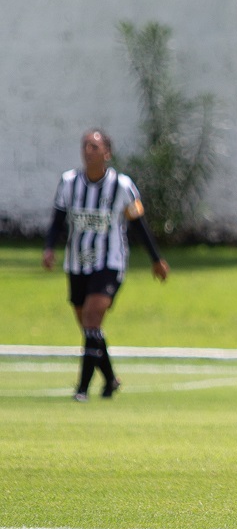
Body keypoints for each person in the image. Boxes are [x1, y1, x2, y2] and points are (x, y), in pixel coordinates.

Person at [42, 128, 170, 402]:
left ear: (107, 153)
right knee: (89, 327)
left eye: (95, 147)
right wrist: (49, 249)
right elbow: (58, 219)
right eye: (85, 145)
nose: (88, 151)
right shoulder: (69, 182)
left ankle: (82, 389)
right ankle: (111, 379)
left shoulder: (122, 186)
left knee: (91, 317)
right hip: (77, 263)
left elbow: (139, 224)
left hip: (109, 262)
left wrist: (156, 259)